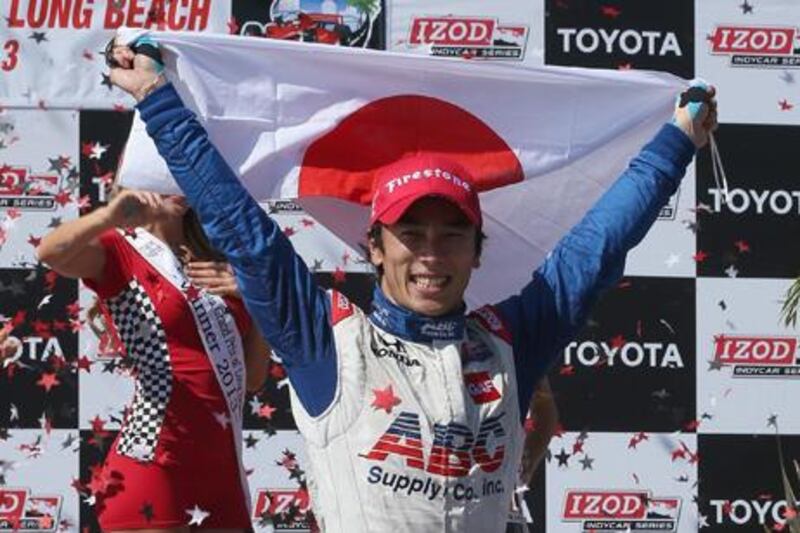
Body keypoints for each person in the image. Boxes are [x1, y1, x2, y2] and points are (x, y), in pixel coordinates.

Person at [108, 39, 717, 532]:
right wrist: (159, 100)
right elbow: (240, 225)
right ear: (373, 246)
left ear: (479, 251)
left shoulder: (512, 339)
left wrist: (678, 138)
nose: (430, 253)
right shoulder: (327, 338)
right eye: (410, 233)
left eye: (452, 234)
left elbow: (598, 247)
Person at [36, 184, 270, 532]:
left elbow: (252, 378)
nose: (172, 185)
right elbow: (51, 253)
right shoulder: (121, 249)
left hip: (222, 472)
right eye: (158, 175)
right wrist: (107, 216)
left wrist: (257, 298)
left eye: (177, 174)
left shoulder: (219, 262)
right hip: (155, 459)